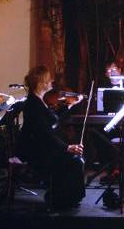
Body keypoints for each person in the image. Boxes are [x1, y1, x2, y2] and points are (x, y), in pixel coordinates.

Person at [18, 65, 86, 209]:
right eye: (48, 80)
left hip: (44, 147)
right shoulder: (32, 104)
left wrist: (69, 105)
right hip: (37, 152)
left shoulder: (39, 100)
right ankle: (62, 199)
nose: (52, 82)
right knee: (75, 161)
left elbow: (53, 119)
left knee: (76, 159)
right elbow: (44, 133)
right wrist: (67, 147)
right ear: (40, 83)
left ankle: (67, 198)